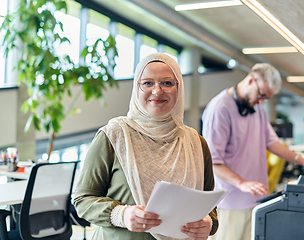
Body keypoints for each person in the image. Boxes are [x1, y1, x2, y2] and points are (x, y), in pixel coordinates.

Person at [73, 53, 218, 240]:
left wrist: (209, 224)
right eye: (148, 83)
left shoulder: (196, 143)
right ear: (137, 88)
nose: (157, 91)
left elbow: (209, 208)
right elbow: (83, 200)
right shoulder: (114, 135)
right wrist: (121, 215)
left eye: (167, 83)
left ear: (178, 88)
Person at [201, 63, 304, 240]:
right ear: (251, 80)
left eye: (265, 98)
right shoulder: (219, 108)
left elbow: (272, 142)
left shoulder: (256, 109)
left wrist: (301, 160)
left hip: (256, 199)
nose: (261, 101)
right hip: (229, 202)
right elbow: (214, 162)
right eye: (261, 95)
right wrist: (242, 183)